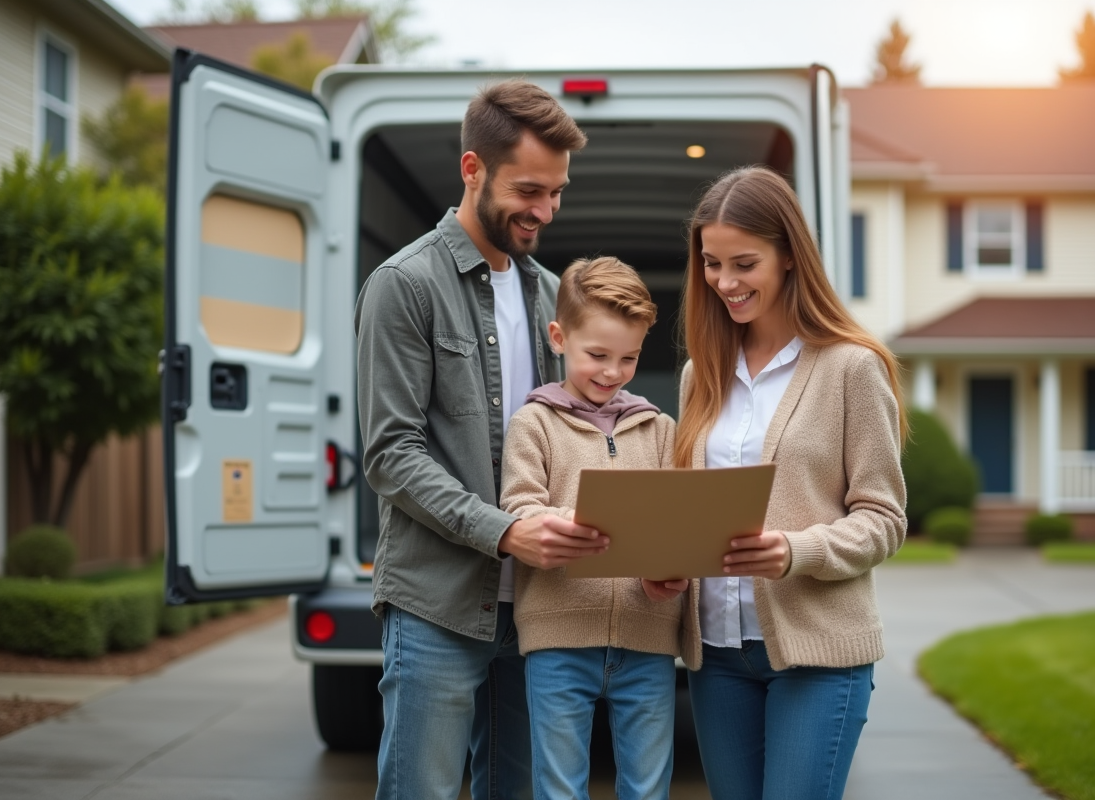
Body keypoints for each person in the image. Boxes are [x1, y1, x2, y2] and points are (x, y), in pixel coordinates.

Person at [355, 80, 606, 800]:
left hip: (537, 608)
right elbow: (391, 454)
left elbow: (572, 438)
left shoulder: (552, 295)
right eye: (529, 189)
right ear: (473, 170)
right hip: (437, 603)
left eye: (557, 192)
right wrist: (504, 533)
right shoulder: (404, 286)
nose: (545, 211)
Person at [674, 165, 908, 800]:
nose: (724, 282)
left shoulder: (851, 368)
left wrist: (794, 550)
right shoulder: (702, 376)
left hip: (820, 656)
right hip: (716, 655)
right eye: (712, 264)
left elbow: (884, 518)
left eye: (744, 263)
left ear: (788, 257)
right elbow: (689, 508)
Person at [499, 256, 688, 800]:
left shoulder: (659, 429)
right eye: (597, 355)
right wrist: (579, 520)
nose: (612, 372)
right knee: (560, 789)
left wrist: (672, 571)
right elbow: (518, 510)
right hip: (557, 641)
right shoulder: (533, 424)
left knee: (648, 789)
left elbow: (677, 524)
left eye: (629, 358)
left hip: (648, 637)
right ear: (558, 337)